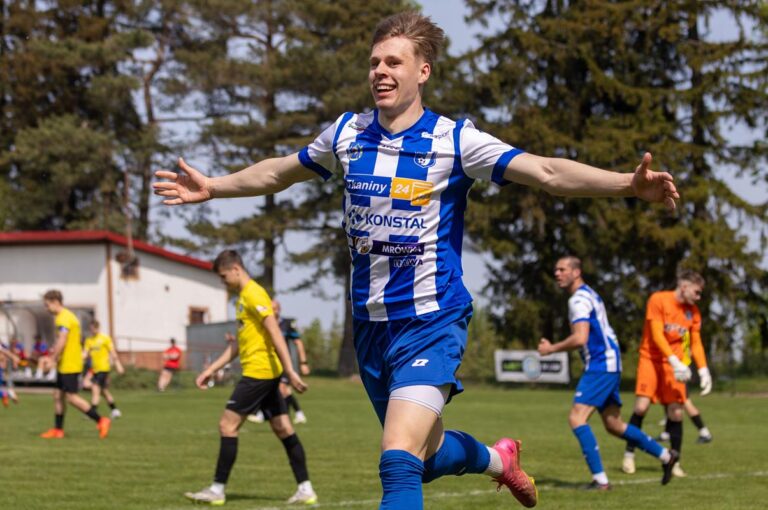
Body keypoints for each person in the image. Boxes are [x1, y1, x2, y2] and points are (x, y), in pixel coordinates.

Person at [154, 11, 679, 508]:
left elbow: (545, 172)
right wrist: (214, 186)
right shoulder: (347, 133)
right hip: (371, 327)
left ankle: (485, 459)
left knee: (398, 461)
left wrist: (626, 185)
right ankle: (500, 460)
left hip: (431, 320)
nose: (380, 71)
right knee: (422, 459)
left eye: (393, 62)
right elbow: (278, 172)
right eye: (374, 62)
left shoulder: (455, 140)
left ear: (423, 71)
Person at [183, 250, 317, 505]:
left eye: (224, 277)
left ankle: (217, 490)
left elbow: (275, 332)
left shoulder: (254, 294)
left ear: (236, 269)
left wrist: (290, 371)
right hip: (265, 373)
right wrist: (211, 370)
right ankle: (306, 489)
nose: (223, 282)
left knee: (227, 426)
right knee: (283, 428)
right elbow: (238, 344)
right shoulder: (242, 298)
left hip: (259, 373)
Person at [537, 256, 679, 489]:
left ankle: (600, 481)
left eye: (562, 269)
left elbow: (580, 338)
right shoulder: (590, 294)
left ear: (576, 272)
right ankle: (666, 456)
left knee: (577, 418)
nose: (557, 273)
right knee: (614, 424)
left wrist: (551, 349)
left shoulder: (578, 299)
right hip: (610, 363)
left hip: (601, 364)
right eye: (556, 270)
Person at [622, 270, 711, 477]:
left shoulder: (693, 312)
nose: (699, 297)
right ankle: (629, 454)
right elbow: (656, 334)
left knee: (676, 412)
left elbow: (695, 342)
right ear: (684, 286)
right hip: (651, 359)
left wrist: (703, 369)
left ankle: (674, 461)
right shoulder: (658, 299)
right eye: (697, 292)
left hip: (675, 364)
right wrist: (673, 360)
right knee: (641, 407)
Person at [39, 290, 111, 439]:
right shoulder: (65, 316)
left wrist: (52, 359)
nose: (46, 308)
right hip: (65, 363)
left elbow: (62, 340)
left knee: (71, 397)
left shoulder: (63, 318)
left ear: (55, 302)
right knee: (58, 395)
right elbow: (63, 341)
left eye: (47, 305)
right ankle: (58, 430)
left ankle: (101, 420)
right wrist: (54, 355)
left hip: (70, 364)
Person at [247, 300, 311, 425]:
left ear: (279, 310)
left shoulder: (286, 324)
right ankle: (297, 414)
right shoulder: (263, 323)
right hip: (267, 362)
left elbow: (298, 342)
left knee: (282, 389)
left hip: (283, 363)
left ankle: (265, 414)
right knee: (275, 389)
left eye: (275, 308)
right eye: (270, 308)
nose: (272, 311)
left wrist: (303, 362)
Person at [83, 321, 125, 419]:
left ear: (98, 328)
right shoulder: (89, 340)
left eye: (94, 329)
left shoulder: (105, 338)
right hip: (94, 369)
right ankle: (115, 410)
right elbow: (85, 353)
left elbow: (113, 352)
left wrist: (118, 365)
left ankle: (92, 413)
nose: (92, 331)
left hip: (103, 368)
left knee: (95, 389)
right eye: (91, 329)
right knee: (102, 391)